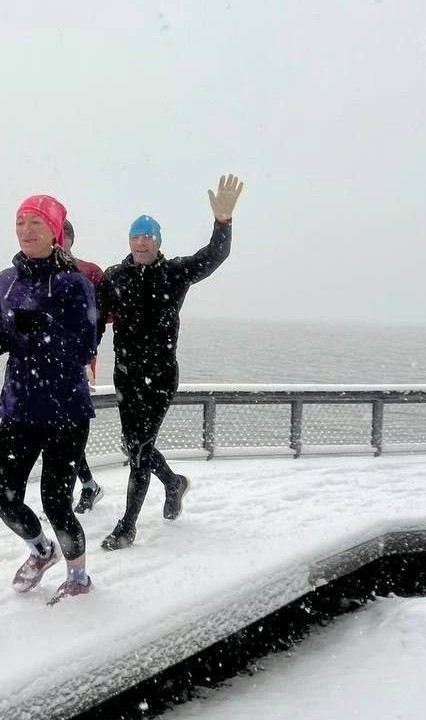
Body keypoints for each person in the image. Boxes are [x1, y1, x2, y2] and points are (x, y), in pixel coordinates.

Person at [97, 174, 244, 550]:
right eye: (135, 236)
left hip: (160, 377)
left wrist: (223, 223)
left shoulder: (174, 273)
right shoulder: (114, 277)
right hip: (127, 377)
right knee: (135, 447)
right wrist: (87, 353)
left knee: (140, 450)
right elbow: (95, 319)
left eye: (148, 236)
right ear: (128, 241)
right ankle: (174, 483)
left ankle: (127, 526)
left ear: (158, 241)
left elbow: (214, 255)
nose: (141, 241)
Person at [0, 195, 98, 605]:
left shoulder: (74, 285)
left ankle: (79, 577)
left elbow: (86, 345)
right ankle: (42, 550)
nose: (27, 230)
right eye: (20, 222)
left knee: (56, 501)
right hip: (20, 406)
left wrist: (44, 327)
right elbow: (6, 326)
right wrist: (3, 338)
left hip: (66, 410)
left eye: (36, 222)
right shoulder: (5, 281)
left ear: (55, 232)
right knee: (3, 499)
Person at [60, 218, 104, 514]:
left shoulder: (88, 272)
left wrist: (87, 354)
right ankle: (84, 485)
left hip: (77, 364)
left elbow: (100, 318)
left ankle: (83, 488)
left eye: (60, 236)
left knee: (70, 429)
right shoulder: (32, 272)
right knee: (57, 431)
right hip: (45, 367)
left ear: (70, 240)